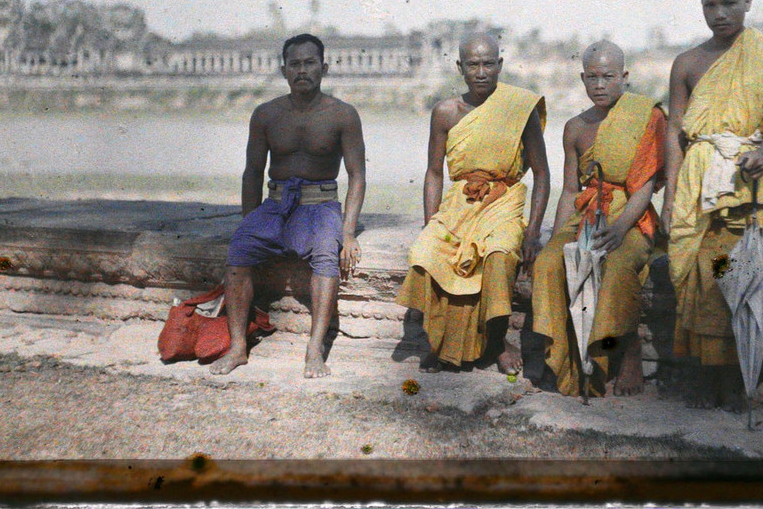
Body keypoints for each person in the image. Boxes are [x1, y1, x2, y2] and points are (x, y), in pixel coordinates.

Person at [663, 0, 763, 408]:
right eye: (711, 5)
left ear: (748, 2)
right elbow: (674, 131)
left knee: (747, 275)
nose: (720, 13)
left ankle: (741, 380)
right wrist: (670, 196)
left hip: (747, 182)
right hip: (699, 183)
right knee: (705, 277)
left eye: (729, 3)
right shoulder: (687, 63)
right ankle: (710, 378)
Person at [210, 33, 366, 378]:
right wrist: (249, 222)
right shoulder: (266, 114)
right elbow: (253, 172)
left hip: (321, 205)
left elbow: (357, 175)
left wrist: (348, 232)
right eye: (294, 64)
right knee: (239, 250)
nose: (302, 70)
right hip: (276, 203)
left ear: (324, 67)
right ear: (284, 71)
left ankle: (314, 349)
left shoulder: (342, 114)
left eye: (310, 63)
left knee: (326, 255)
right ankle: (238, 347)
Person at [397, 32, 550, 374]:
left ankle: (498, 342)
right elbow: (434, 172)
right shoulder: (445, 112)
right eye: (473, 65)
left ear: (500, 65)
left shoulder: (519, 107)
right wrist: (431, 223)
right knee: (426, 252)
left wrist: (533, 232)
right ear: (460, 67)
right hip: (459, 204)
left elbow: (542, 173)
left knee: (498, 256)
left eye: (488, 64)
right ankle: (439, 343)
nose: (481, 72)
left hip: (503, 202)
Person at [531, 41, 665, 397]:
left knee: (618, 265)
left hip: (631, 216)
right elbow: (569, 191)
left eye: (608, 76)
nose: (600, 85)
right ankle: (559, 358)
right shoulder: (575, 127)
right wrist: (557, 240)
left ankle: (627, 350)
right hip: (587, 212)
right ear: (582, 79)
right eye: (592, 77)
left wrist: (620, 229)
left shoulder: (646, 116)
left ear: (624, 76)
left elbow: (646, 186)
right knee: (548, 263)